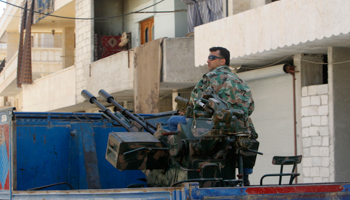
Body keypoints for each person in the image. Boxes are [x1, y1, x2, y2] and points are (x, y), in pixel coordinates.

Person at [167, 47, 256, 185]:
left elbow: (194, 104)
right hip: (239, 127)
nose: (208, 61)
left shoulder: (209, 77)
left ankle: (175, 169)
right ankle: (245, 178)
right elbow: (250, 107)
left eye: (212, 58)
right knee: (247, 140)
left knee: (173, 121)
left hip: (213, 126)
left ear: (222, 61)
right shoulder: (241, 81)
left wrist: (187, 112)